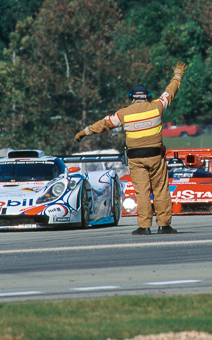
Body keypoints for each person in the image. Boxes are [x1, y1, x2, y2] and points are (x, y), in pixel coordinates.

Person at [75, 61, 187, 235]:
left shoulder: (124, 113)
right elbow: (170, 92)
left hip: (136, 158)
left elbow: (104, 124)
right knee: (160, 190)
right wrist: (177, 75)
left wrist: (85, 132)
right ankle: (164, 226)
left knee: (142, 192)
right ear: (147, 96)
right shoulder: (157, 107)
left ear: (132, 98)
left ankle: (144, 227)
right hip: (156, 156)